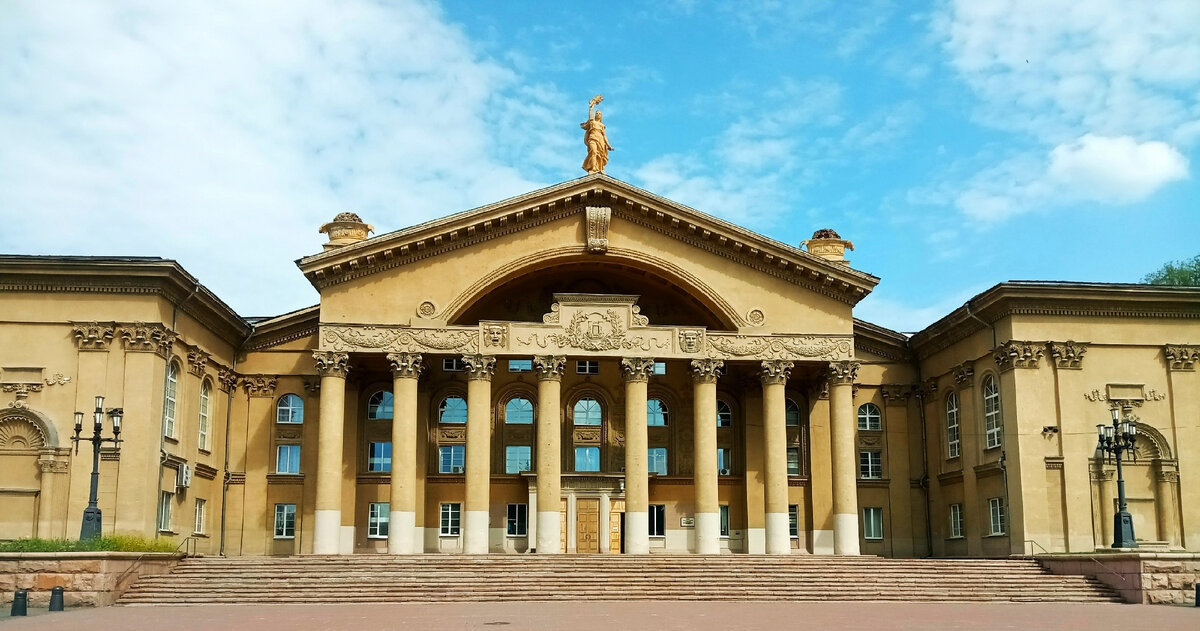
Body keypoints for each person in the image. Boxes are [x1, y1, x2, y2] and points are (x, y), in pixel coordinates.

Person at [581, 96, 613, 173]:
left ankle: (599, 168)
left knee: (601, 155)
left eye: (599, 113)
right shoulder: (592, 122)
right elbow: (590, 117)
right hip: (592, 138)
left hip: (600, 140)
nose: (598, 114)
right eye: (597, 113)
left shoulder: (602, 125)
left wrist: (609, 146)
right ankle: (593, 168)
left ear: (601, 116)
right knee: (594, 152)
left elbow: (604, 136)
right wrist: (591, 109)